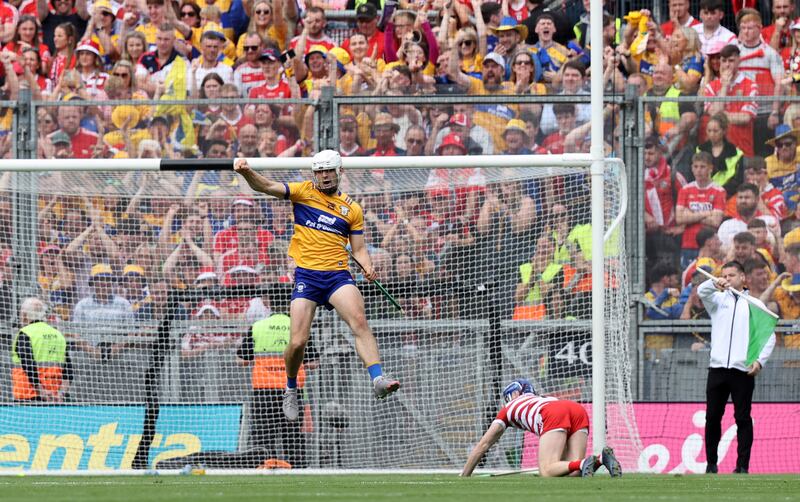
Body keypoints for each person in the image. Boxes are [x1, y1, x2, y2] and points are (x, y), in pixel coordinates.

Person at [233, 150, 401, 422]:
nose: (323, 176)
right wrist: (246, 172)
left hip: (337, 275)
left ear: (339, 172)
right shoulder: (302, 192)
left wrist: (368, 265)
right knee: (298, 341)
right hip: (307, 277)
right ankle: (291, 388)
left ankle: (378, 378)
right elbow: (266, 186)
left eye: (328, 171)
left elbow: (358, 249)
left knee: (359, 321)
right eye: (319, 171)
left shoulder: (351, 209)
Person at [697, 261, 777, 474]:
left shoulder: (754, 304)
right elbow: (701, 291)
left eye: (731, 275)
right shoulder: (716, 301)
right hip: (717, 368)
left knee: (742, 418)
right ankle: (711, 464)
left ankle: (742, 466)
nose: (727, 278)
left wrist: (759, 361)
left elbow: (769, 335)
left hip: (742, 371)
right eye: (724, 275)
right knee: (712, 417)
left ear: (743, 277)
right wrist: (715, 284)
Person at [460, 379, 622, 478]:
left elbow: (483, 445)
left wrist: (464, 475)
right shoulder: (541, 398)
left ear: (513, 395)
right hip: (576, 409)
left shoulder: (507, 409)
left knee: (546, 470)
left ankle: (584, 462)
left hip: (554, 413)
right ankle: (601, 458)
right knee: (573, 469)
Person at [11, 297, 73, 402]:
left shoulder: (25, 333)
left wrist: (41, 391)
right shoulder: (57, 334)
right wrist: (61, 394)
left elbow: (28, 364)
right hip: (55, 397)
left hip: (28, 396)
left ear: (25, 315)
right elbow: (68, 371)